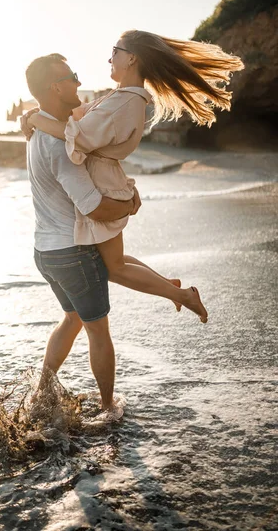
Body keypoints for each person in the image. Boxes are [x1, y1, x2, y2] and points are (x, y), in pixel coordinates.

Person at [23, 30, 244, 324]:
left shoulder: (126, 103)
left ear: (131, 58)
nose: (109, 58)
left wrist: (35, 118)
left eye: (115, 51)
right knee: (114, 262)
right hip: (106, 180)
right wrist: (31, 114)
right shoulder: (119, 97)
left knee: (114, 267)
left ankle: (182, 295)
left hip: (106, 185)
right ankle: (174, 289)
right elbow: (76, 114)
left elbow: (75, 136)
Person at [25, 53, 142, 417]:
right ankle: (108, 408)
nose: (79, 81)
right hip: (72, 253)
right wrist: (130, 205)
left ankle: (40, 392)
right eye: (72, 76)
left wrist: (28, 116)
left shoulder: (38, 133)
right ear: (55, 87)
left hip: (45, 251)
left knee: (72, 319)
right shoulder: (60, 145)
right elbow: (93, 206)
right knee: (97, 332)